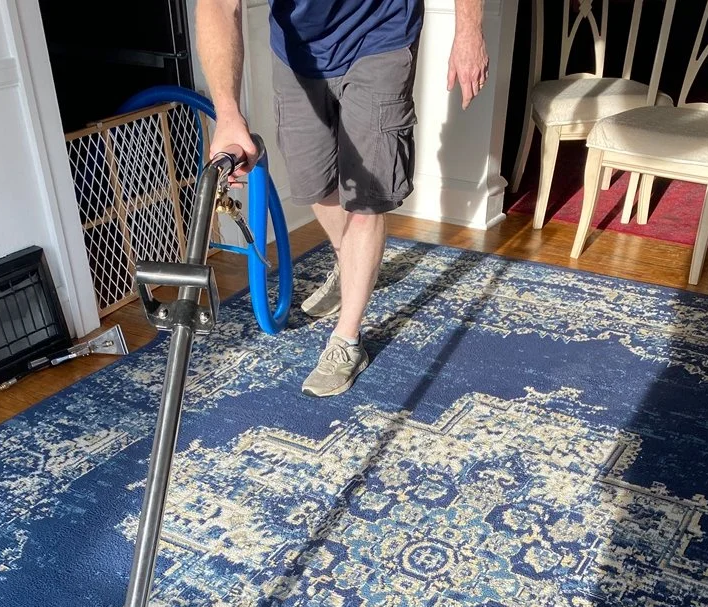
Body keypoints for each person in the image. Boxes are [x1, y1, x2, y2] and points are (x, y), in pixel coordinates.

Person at [195, 0, 489, 397]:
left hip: (380, 33)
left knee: (366, 198)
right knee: (312, 182)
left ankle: (347, 339)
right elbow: (217, 5)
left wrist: (468, 31)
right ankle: (347, 260)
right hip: (297, 49)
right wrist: (228, 113)